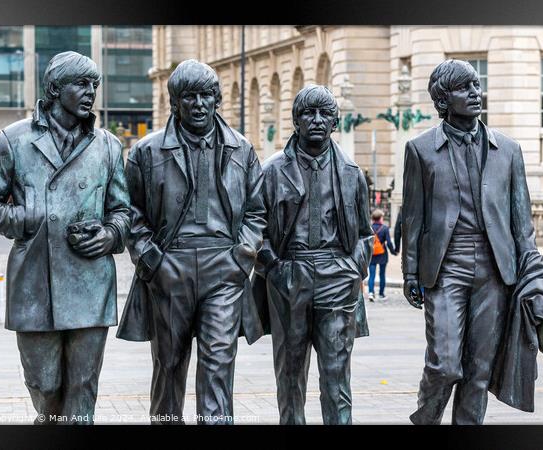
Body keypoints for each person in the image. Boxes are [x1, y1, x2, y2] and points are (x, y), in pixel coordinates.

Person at [116, 59, 266, 425]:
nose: (198, 104)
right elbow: (129, 210)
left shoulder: (241, 150)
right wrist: (151, 259)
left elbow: (257, 211)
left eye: (206, 95)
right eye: (189, 97)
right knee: (168, 366)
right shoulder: (147, 152)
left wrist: (241, 256)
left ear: (217, 100)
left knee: (218, 362)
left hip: (224, 268)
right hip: (170, 267)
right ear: (175, 102)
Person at [0, 51, 130, 424]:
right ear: (54, 88)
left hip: (90, 282)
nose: (90, 92)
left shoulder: (108, 146)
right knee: (44, 385)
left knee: (83, 385)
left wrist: (111, 235)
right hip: (35, 282)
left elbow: (125, 212)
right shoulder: (13, 140)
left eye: (94, 85)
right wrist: (29, 218)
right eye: (80, 84)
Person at [401, 59, 539, 425]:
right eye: (465, 89)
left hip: (495, 268)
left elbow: (521, 223)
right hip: (446, 265)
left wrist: (533, 274)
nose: (476, 93)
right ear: (444, 100)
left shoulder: (508, 150)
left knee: (478, 370)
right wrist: (410, 272)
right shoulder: (420, 150)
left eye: (477, 85)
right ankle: (426, 420)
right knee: (445, 364)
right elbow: (413, 217)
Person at [253, 84, 374, 425]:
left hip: (337, 275)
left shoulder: (351, 173)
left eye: (325, 114)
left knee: (337, 378)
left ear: (335, 121)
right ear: (296, 120)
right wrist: (274, 268)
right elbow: (253, 229)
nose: (317, 120)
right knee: (290, 375)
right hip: (289, 273)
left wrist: (353, 269)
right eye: (308, 113)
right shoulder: (272, 170)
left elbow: (365, 234)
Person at [367, 208, 397, 302]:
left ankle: (371, 292)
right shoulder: (384, 228)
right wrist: (393, 252)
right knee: (382, 274)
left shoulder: (369, 228)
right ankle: (381, 294)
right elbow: (388, 242)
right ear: (380, 218)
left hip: (372, 254)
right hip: (382, 254)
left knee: (371, 275)